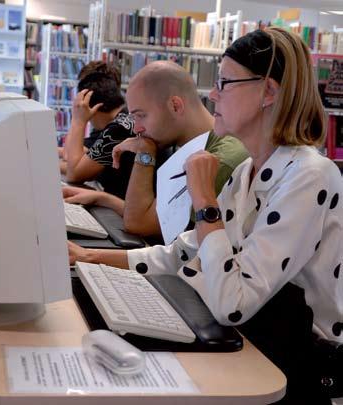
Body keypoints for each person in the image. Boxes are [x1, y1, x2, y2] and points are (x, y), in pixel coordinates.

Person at [69, 28, 343, 403]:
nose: (213, 94)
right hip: (256, 345)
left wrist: (205, 201)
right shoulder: (249, 170)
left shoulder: (309, 176)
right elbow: (184, 252)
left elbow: (233, 303)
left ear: (269, 92)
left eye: (224, 83)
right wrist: (90, 257)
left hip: (297, 366)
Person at [64, 60, 248, 237]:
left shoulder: (219, 160)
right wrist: (102, 198)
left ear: (175, 106)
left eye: (141, 116)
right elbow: (159, 217)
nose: (135, 129)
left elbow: (138, 223)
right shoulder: (191, 145)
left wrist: (145, 152)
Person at [61, 62, 136, 199]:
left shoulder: (119, 128)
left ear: (91, 107)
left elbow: (74, 174)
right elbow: (77, 157)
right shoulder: (124, 118)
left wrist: (78, 120)